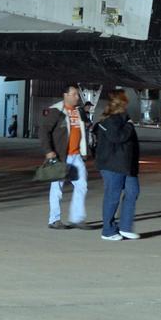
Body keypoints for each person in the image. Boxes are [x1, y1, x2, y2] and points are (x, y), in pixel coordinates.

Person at [40, 84, 91, 229]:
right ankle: (54, 219)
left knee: (82, 185)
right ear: (65, 95)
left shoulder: (78, 111)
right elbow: (44, 132)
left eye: (77, 94)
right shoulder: (56, 111)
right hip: (61, 156)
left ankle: (77, 218)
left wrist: (84, 152)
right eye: (74, 94)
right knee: (57, 188)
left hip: (76, 156)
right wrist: (49, 151)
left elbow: (81, 131)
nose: (77, 97)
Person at [93, 90, 141, 241]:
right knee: (112, 197)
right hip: (112, 165)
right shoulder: (111, 120)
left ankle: (126, 227)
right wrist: (129, 126)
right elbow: (117, 137)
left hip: (126, 165)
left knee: (133, 191)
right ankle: (107, 230)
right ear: (122, 104)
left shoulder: (122, 119)